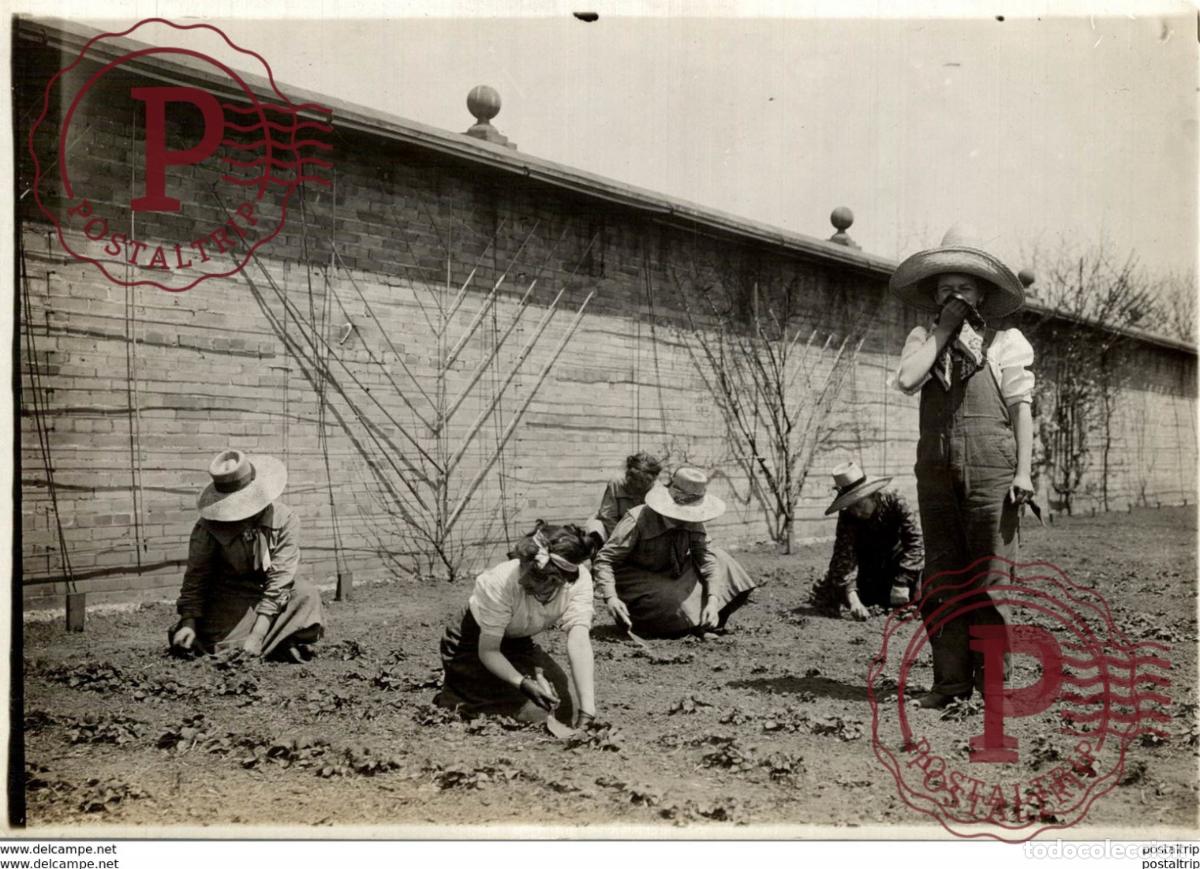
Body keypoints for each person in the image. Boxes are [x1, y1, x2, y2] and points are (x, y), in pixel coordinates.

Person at [890, 226, 1035, 709]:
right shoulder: (921, 338)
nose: (956, 296)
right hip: (935, 469)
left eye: (966, 287)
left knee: (990, 578)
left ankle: (993, 688)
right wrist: (943, 330)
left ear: (983, 294)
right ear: (935, 295)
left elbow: (1021, 409)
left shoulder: (1004, 342)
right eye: (946, 288)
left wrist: (1024, 472)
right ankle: (950, 684)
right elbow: (908, 380)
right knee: (942, 578)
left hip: (993, 469)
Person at [434, 522, 597, 727]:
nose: (522, 580)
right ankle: (457, 691)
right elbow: (489, 651)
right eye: (522, 567)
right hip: (471, 643)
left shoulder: (579, 582)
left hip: (517, 643)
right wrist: (523, 683)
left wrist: (588, 711)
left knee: (566, 708)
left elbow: (579, 641)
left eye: (536, 577)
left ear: (559, 580)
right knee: (535, 712)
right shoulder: (500, 582)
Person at [169, 449, 324, 662]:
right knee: (219, 642)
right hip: (230, 595)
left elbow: (280, 580)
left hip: (272, 594)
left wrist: (257, 634)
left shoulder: (286, 519)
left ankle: (265, 640)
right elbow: (196, 577)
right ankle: (278, 641)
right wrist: (188, 622)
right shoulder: (208, 527)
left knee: (306, 596)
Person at [593, 467, 759, 638]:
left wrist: (713, 600)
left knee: (722, 560)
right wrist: (611, 597)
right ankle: (684, 626)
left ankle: (708, 622)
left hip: (671, 574)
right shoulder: (637, 519)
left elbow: (707, 559)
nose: (685, 518)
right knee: (672, 598)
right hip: (637, 581)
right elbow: (605, 559)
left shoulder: (693, 520)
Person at [810, 462, 925, 621]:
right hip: (868, 566)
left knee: (924, 590)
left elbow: (916, 543)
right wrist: (853, 598)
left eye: (859, 505)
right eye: (851, 508)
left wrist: (903, 580)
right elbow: (843, 555)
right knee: (836, 590)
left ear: (873, 496)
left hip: (899, 562)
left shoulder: (896, 501)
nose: (856, 512)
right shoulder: (847, 517)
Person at [584, 451, 662, 551]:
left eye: (644, 482)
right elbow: (608, 516)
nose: (639, 486)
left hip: (639, 532)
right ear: (628, 475)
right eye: (636, 480)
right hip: (614, 527)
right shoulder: (616, 482)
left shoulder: (657, 489)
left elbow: (655, 524)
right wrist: (620, 541)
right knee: (594, 527)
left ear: (653, 479)